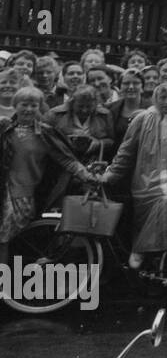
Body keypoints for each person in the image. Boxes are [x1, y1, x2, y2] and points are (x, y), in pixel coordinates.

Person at [102, 79, 167, 269]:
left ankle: (143, 252)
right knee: (143, 221)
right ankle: (145, 263)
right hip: (145, 182)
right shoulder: (142, 118)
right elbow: (127, 149)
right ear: (155, 98)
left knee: (166, 203)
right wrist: (113, 172)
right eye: (162, 97)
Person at [0, 87, 97, 260]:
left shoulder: (45, 133)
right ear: (15, 105)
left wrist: (86, 176)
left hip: (26, 195)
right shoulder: (4, 129)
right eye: (24, 104)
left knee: (7, 239)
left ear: (40, 107)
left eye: (33, 105)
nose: (28, 109)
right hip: (4, 190)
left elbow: (66, 159)